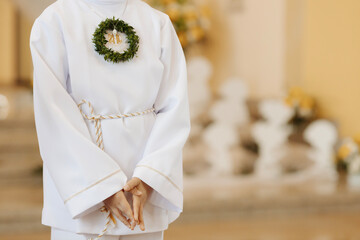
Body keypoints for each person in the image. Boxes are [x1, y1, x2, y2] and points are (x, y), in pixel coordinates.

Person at [29, 0, 191, 239]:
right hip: (82, 191)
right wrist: (102, 186)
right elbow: (53, 112)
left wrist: (149, 177)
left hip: (142, 192)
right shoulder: (55, 21)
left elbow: (174, 107)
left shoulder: (157, 23)